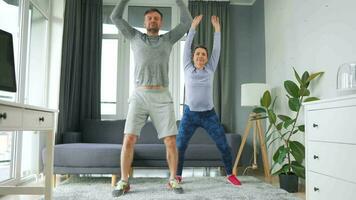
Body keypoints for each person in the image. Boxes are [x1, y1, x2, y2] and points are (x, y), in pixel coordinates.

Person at [110, 0, 192, 197]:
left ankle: (173, 179)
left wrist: (179, 2)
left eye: (156, 18)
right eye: (149, 18)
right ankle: (124, 180)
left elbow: (187, 22)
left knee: (171, 141)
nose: (153, 20)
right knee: (129, 138)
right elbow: (115, 17)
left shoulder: (168, 39)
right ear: (145, 22)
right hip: (139, 94)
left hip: (162, 95)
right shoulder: (134, 36)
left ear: (160, 23)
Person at [176, 15, 242, 186]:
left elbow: (217, 50)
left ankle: (229, 174)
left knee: (223, 145)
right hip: (189, 115)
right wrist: (193, 28)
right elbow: (186, 47)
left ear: (207, 58)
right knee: (180, 145)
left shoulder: (210, 68)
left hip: (208, 115)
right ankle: (177, 176)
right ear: (193, 57)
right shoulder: (187, 67)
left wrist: (217, 30)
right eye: (197, 54)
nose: (200, 56)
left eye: (203, 54)